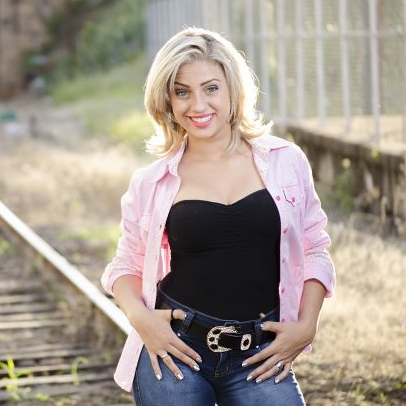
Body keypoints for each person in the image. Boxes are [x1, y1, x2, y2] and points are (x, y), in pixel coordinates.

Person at [101, 27, 335, 405]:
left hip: (259, 355)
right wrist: (141, 319)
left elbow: (315, 251)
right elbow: (125, 264)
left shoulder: (285, 162)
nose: (198, 105)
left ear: (233, 91)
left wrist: (307, 325)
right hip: (176, 350)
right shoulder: (152, 181)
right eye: (182, 92)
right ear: (167, 100)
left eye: (210, 88)